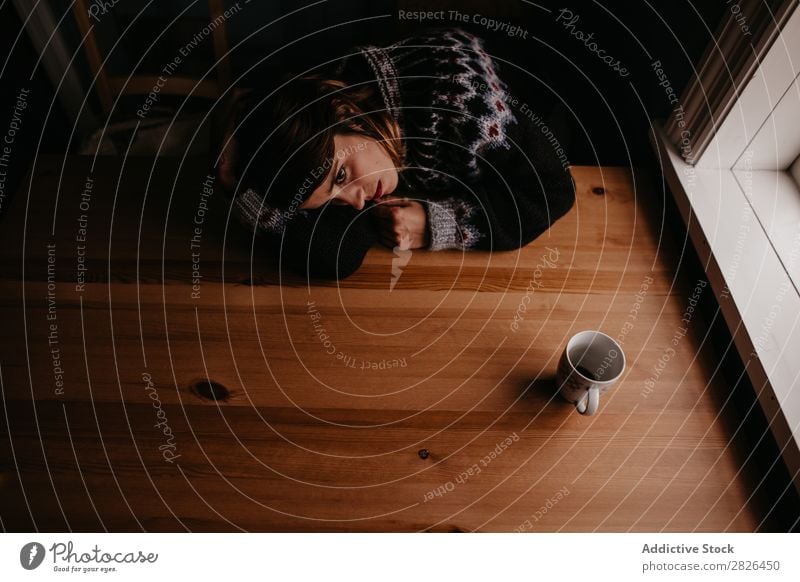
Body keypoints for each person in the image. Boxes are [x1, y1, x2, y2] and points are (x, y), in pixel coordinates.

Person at [214, 28, 575, 280]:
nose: (356, 204)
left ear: (346, 114)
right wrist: (239, 189)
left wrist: (437, 224)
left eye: (340, 176)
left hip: (546, 112)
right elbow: (333, 254)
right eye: (332, 201)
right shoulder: (346, 157)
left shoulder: (465, 108)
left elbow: (553, 192)